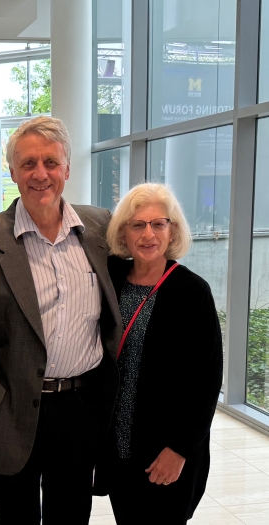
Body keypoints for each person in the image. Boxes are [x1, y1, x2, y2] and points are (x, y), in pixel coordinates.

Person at [0, 116, 121, 524]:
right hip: (11, 413)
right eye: (28, 164)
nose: (40, 174)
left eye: (50, 162)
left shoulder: (100, 227)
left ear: (67, 169)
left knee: (72, 513)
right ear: (12, 172)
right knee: (18, 517)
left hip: (82, 408)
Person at [94, 183, 223, 524]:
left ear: (172, 230)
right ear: (124, 232)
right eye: (137, 224)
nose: (148, 234)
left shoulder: (193, 292)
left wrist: (180, 449)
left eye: (158, 224)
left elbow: (207, 382)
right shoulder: (113, 278)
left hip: (165, 451)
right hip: (120, 448)